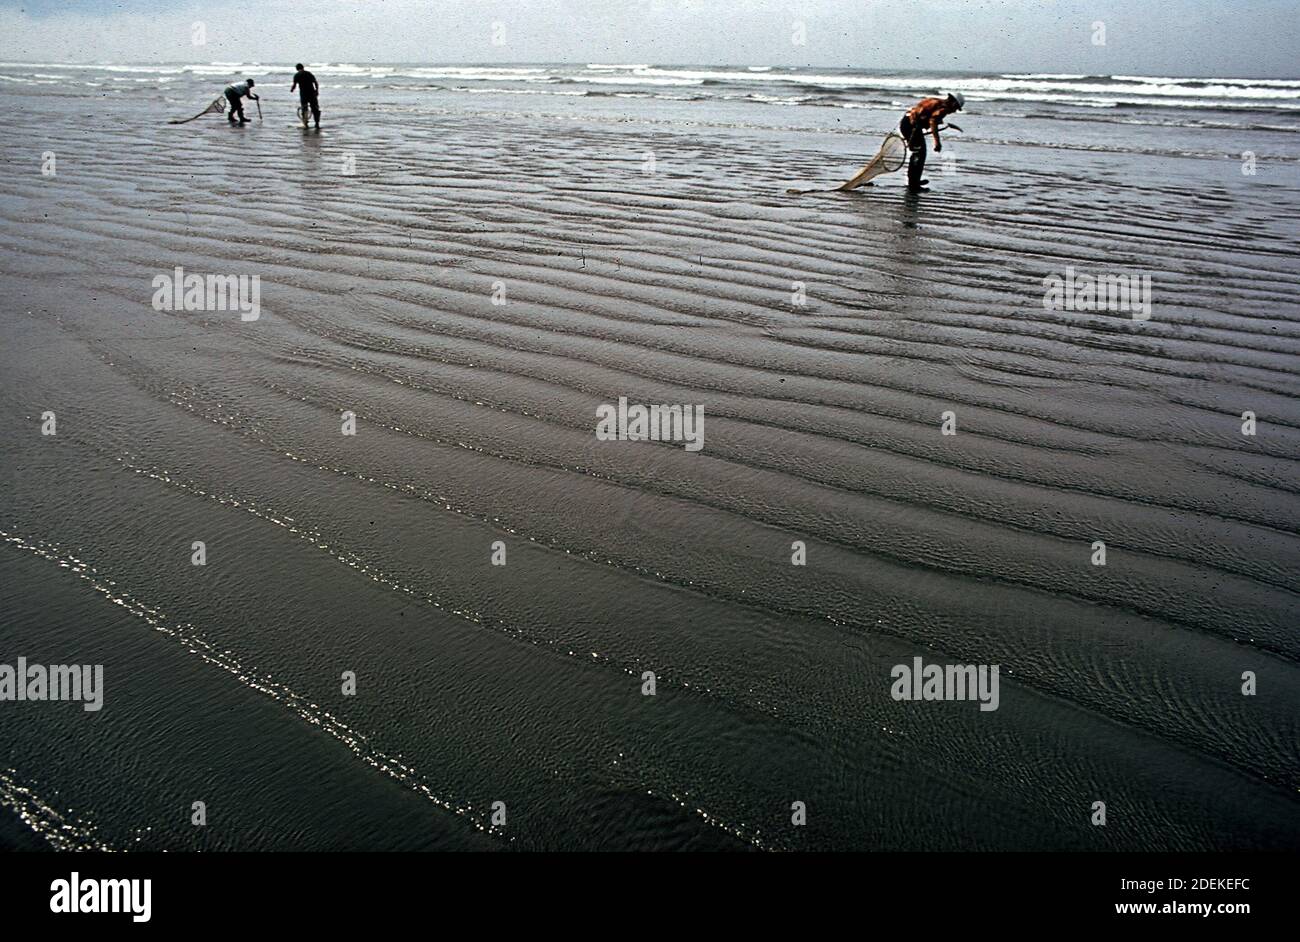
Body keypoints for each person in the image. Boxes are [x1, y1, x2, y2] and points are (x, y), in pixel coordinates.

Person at [898, 92, 964, 193]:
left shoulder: (937, 102)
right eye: (956, 108)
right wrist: (937, 142)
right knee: (919, 154)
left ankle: (914, 181)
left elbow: (927, 116)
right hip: (911, 127)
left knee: (918, 154)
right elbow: (933, 122)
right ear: (953, 103)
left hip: (907, 122)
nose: (954, 111)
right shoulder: (943, 108)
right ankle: (913, 185)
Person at [292, 63, 320, 128]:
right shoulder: (309, 73)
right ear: (303, 67)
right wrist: (317, 90)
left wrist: (292, 89)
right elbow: (315, 82)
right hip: (312, 93)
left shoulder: (297, 75)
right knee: (315, 108)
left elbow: (294, 84)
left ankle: (305, 123)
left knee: (304, 108)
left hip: (303, 94)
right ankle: (317, 123)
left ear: (297, 68)